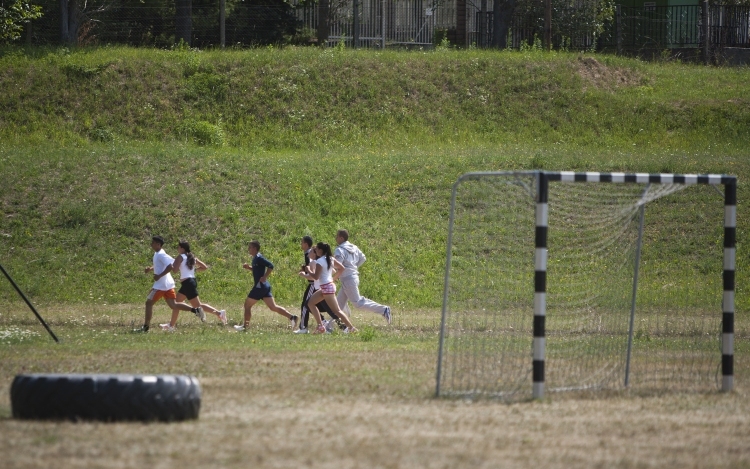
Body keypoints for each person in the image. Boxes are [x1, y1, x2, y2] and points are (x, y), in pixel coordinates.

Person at [135, 235, 203, 333]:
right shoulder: (158, 253)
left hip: (161, 285)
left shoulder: (161, 254)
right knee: (174, 305)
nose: (151, 244)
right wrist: (151, 268)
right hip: (168, 284)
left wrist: (159, 276)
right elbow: (167, 263)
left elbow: (170, 266)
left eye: (153, 242)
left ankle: (145, 328)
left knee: (148, 303)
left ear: (158, 244)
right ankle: (195, 310)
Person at [160, 240, 227, 332]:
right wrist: (194, 271)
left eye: (178, 247)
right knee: (177, 303)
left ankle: (219, 313)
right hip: (190, 282)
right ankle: (171, 325)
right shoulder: (192, 257)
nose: (177, 249)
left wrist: (171, 265)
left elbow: (175, 270)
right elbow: (204, 267)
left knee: (197, 306)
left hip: (188, 283)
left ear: (182, 248)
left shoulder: (180, 257)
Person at [234, 240, 298, 332]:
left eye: (250, 247)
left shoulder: (259, 258)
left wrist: (265, 276)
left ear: (255, 248)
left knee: (247, 305)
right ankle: (292, 317)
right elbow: (257, 270)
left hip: (260, 287)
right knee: (273, 307)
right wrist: (249, 268)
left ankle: (245, 326)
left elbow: (270, 265)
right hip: (264, 286)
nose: (248, 249)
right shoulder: (255, 258)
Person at [334, 229, 391, 324]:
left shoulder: (339, 249)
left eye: (337, 237)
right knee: (338, 305)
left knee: (358, 303)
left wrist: (332, 270)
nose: (335, 239)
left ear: (341, 238)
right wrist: (354, 267)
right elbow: (363, 258)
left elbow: (338, 265)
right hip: (352, 277)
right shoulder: (354, 247)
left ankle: (384, 310)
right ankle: (329, 327)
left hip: (348, 279)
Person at [300, 242, 358, 334]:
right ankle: (320, 326)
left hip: (327, 288)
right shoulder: (330, 258)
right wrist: (333, 279)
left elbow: (315, 277)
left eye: (317, 249)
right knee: (310, 303)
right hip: (326, 287)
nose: (316, 251)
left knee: (337, 311)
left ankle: (351, 328)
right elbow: (341, 268)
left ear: (321, 250)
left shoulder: (319, 262)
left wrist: (308, 270)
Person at [296, 236, 339, 334]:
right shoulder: (319, 259)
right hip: (321, 285)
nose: (301, 244)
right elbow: (332, 270)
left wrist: (305, 274)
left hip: (315, 285)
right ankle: (326, 324)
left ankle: (304, 327)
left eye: (302, 242)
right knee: (317, 305)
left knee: (306, 305)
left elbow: (314, 275)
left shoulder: (312, 259)